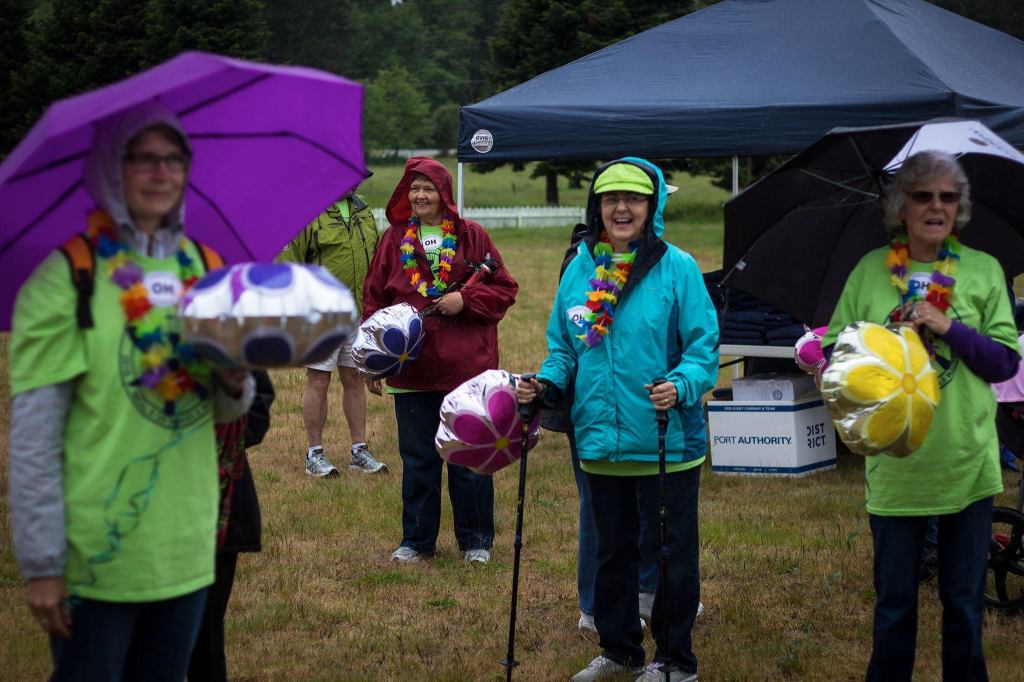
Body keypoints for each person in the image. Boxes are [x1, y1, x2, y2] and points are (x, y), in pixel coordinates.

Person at [8, 103, 254, 681]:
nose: (160, 172)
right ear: (106, 170)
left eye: (173, 158)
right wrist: (43, 564)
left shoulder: (207, 268)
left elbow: (222, 411)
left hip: (188, 550)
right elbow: (35, 442)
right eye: (140, 158)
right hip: (98, 556)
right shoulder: (67, 275)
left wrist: (233, 377)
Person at [821, 150, 1020, 681]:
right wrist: (884, 338)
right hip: (896, 472)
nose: (937, 206)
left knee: (963, 608)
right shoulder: (869, 271)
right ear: (899, 206)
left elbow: (1004, 362)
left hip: (966, 465)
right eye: (923, 195)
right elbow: (833, 350)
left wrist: (947, 326)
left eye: (948, 197)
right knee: (893, 610)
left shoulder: (982, 271)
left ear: (960, 207)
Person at [517, 158, 718, 682]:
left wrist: (682, 384)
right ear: (596, 208)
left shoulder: (679, 268)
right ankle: (619, 649)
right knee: (611, 553)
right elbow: (564, 346)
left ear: (653, 207)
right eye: (611, 199)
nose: (621, 209)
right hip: (600, 440)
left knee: (672, 555)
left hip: (666, 439)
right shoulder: (580, 268)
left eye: (633, 199)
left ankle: (676, 660)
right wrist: (546, 383)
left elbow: (702, 348)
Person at [363, 157, 518, 565]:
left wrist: (465, 300)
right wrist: (371, 359)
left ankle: (476, 543)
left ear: (443, 194)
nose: (419, 195)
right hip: (412, 371)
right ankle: (416, 542)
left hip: (465, 370)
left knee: (469, 456)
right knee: (418, 460)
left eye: (427, 188)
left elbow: (504, 290)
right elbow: (374, 298)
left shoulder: (472, 236)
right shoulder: (393, 240)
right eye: (413, 188)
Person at [278, 183, 386, 477]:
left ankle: (359, 450)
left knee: (354, 377)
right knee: (319, 381)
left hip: (358, 312)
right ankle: (314, 454)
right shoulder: (306, 212)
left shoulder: (363, 210)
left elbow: (376, 257)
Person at [188, 370, 274, 682]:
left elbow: (257, 410)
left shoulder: (220, 330)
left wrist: (213, 447)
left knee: (204, 638)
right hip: (137, 515)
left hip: (216, 512)